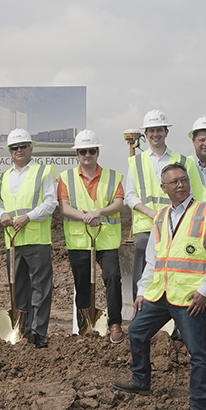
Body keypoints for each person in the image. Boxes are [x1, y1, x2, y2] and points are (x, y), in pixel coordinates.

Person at [111, 162, 206, 410]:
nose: (181, 185)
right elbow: (153, 258)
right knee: (137, 332)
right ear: (164, 188)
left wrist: (205, 291)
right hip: (160, 294)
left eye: (184, 180)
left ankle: (199, 406)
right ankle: (141, 380)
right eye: (174, 182)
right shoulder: (161, 217)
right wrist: (142, 291)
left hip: (189, 299)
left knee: (198, 352)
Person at [58, 129, 126, 344]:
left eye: (91, 151)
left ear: (97, 152)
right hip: (79, 240)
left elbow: (118, 203)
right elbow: (64, 207)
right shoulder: (66, 177)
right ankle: (84, 327)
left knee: (112, 277)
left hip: (106, 240)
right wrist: (86, 216)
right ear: (77, 154)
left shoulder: (113, 176)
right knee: (83, 284)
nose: (87, 155)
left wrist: (99, 213)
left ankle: (115, 323)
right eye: (82, 151)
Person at [0, 128, 59, 348]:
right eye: (15, 147)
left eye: (23, 146)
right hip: (12, 241)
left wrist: (28, 217)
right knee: (17, 287)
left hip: (37, 239)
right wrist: (2, 214)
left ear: (31, 148)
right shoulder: (3, 176)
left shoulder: (44, 171)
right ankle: (21, 330)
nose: (19, 150)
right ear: (10, 151)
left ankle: (38, 332)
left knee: (41, 288)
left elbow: (51, 202)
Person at [125, 110, 187, 304]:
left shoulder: (180, 160)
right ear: (145, 134)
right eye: (151, 130)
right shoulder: (136, 162)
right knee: (143, 273)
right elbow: (130, 195)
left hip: (175, 225)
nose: (155, 134)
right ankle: (141, 315)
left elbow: (186, 192)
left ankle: (175, 318)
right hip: (146, 226)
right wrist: (151, 213)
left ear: (166, 132)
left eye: (159, 129)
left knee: (175, 269)